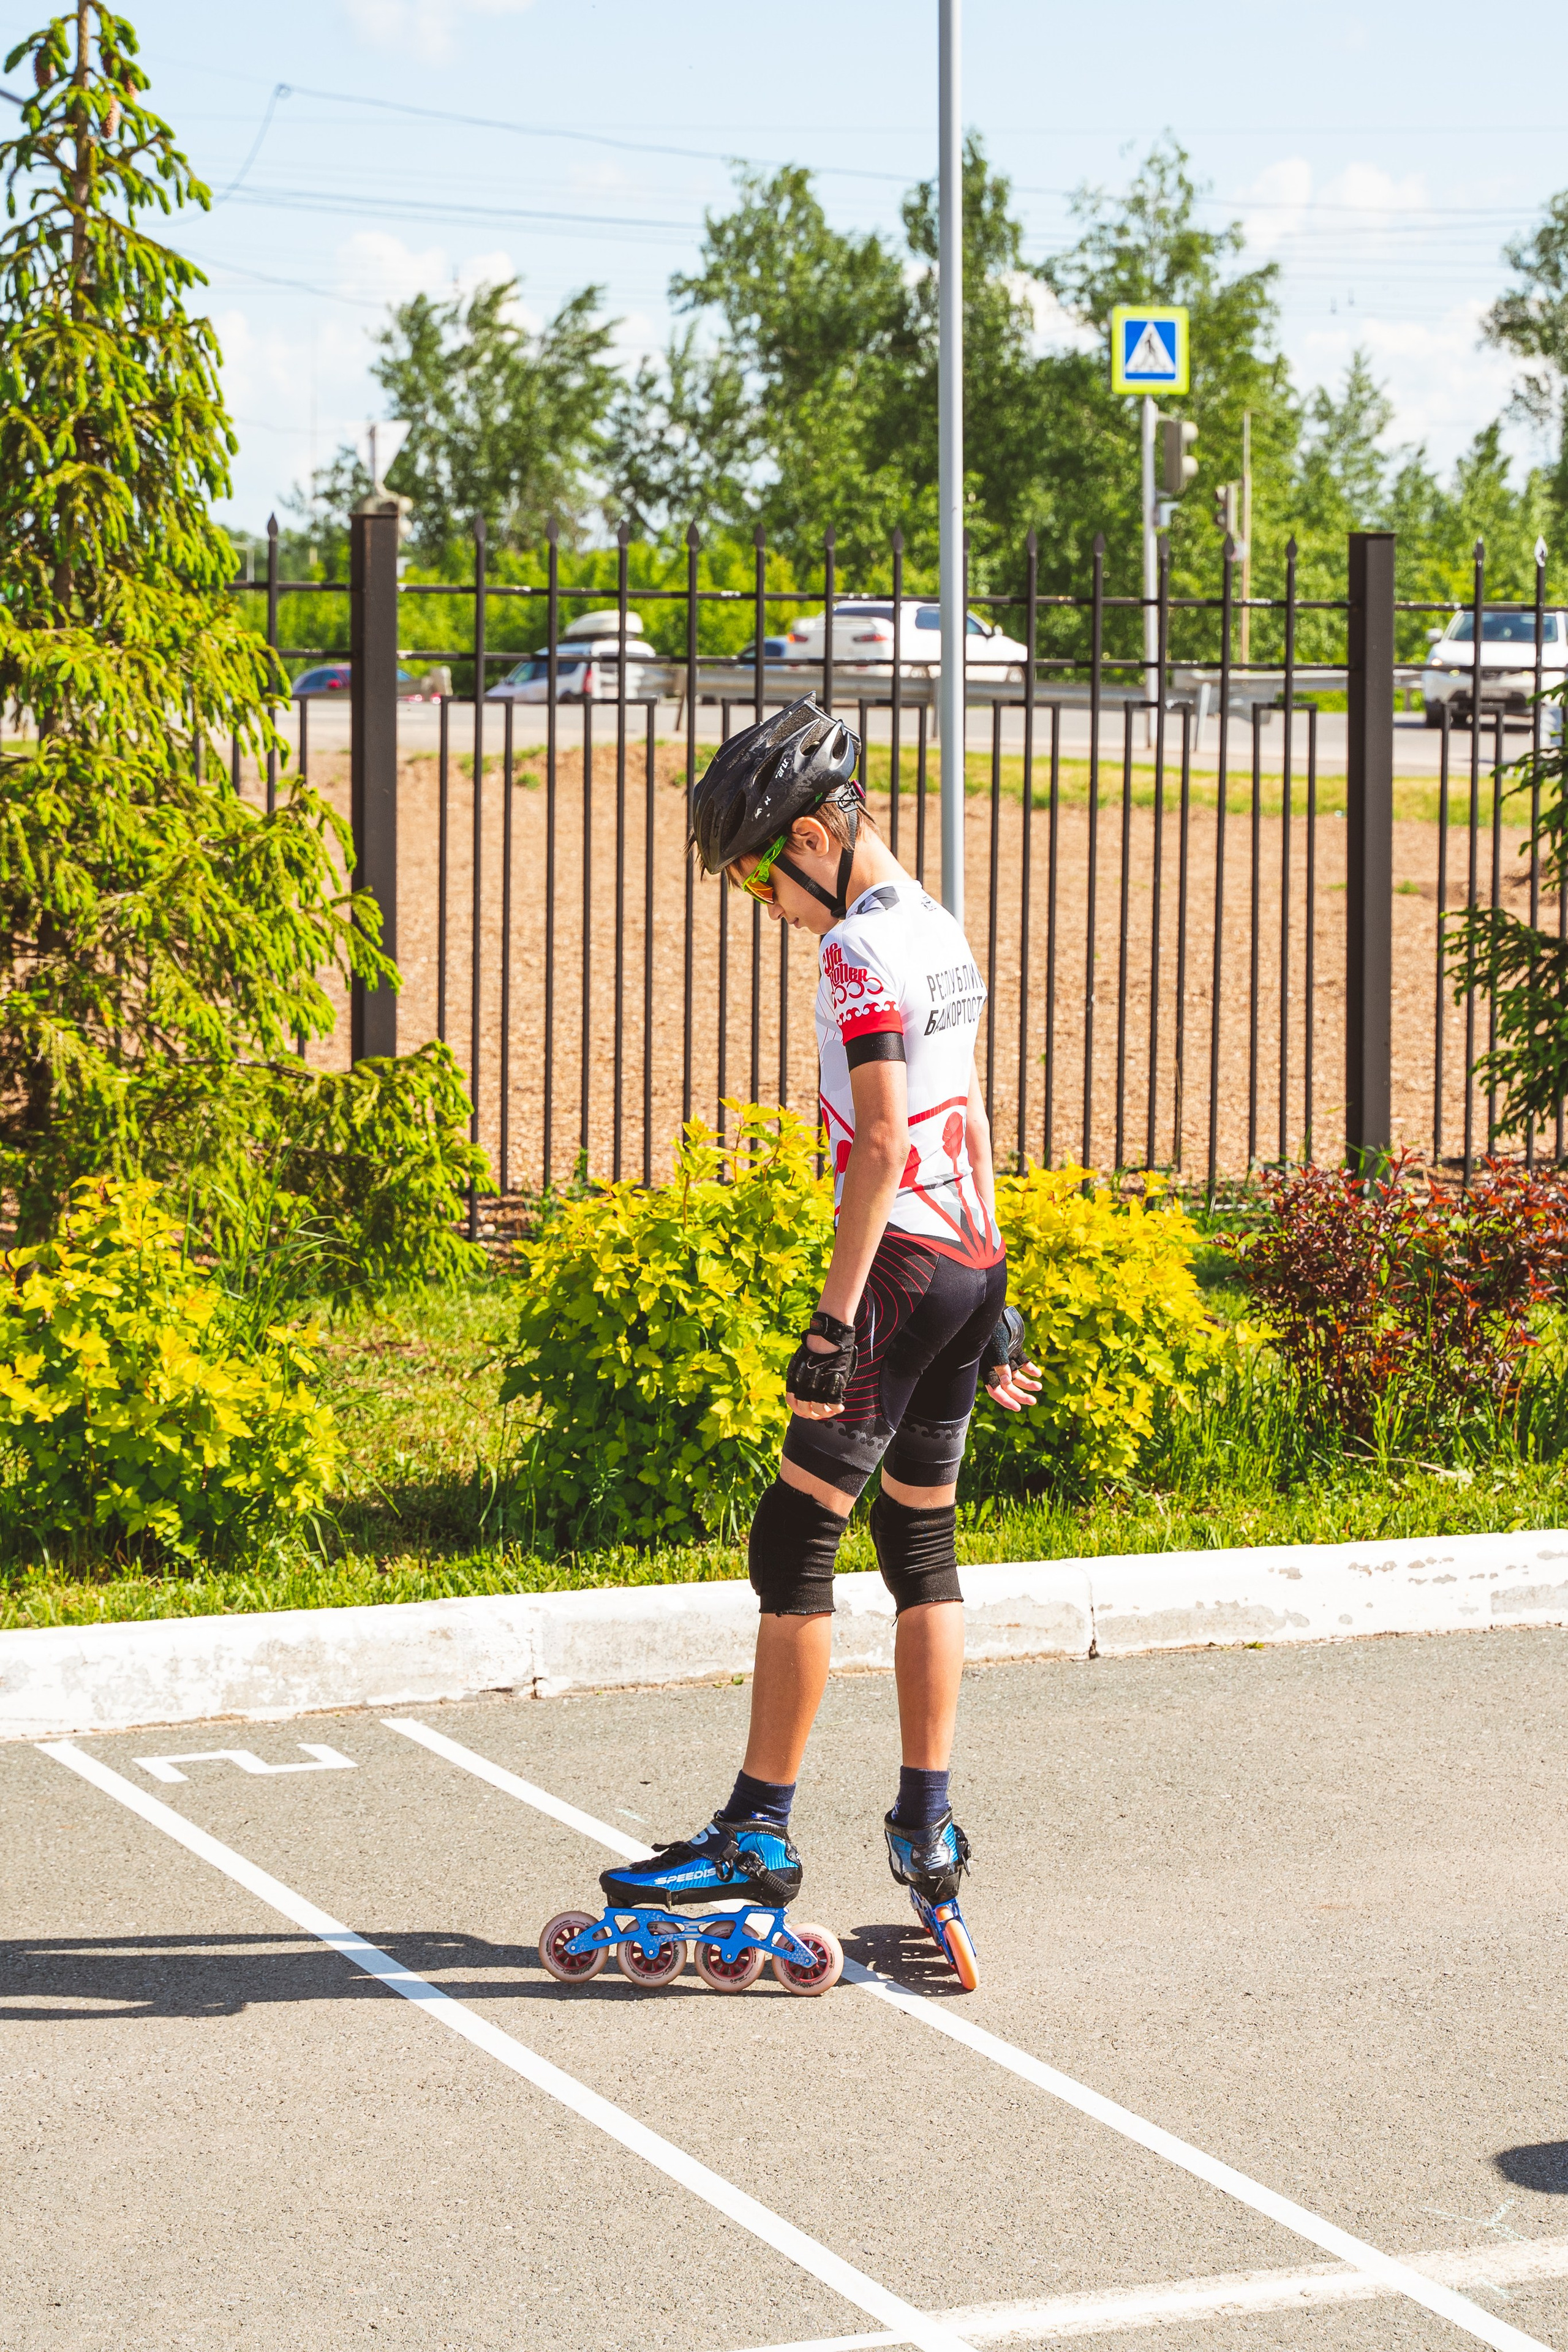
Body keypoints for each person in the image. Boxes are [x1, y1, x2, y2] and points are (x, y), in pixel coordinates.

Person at [598, 696, 1039, 1972]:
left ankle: (754, 1835)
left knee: (794, 1539)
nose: (762, 904)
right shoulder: (936, 925)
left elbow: (887, 1139)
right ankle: (926, 1829)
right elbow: (970, 1115)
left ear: (809, 838)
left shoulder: (852, 952)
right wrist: (996, 1293)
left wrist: (832, 1324)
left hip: (900, 1266)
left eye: (756, 878)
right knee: (919, 1539)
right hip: (966, 1260)